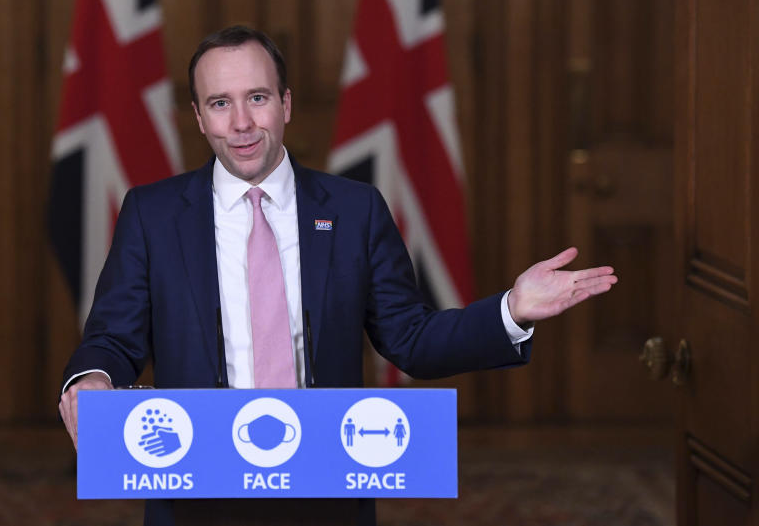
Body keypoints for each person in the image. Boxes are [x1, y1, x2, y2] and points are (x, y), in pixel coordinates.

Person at [58, 26, 617, 525]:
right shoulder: (152, 215)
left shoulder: (355, 210)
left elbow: (412, 341)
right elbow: (113, 337)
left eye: (257, 98)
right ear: (200, 116)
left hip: (326, 488)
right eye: (220, 103)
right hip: (197, 488)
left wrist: (510, 311)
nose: (243, 123)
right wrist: (92, 380)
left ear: (286, 103)